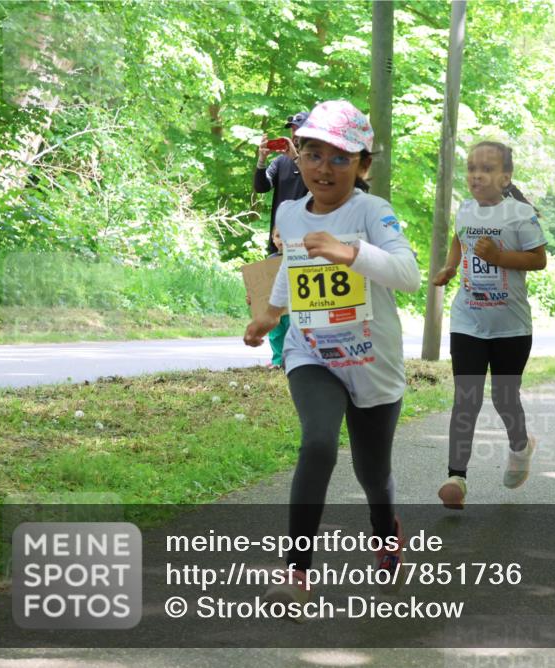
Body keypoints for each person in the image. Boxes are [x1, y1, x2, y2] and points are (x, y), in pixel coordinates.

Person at [243, 100, 420, 615]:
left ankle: (385, 531)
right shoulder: (289, 212)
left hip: (371, 360)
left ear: (362, 165)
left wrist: (351, 252)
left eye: (340, 158)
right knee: (318, 443)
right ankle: (297, 573)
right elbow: (291, 266)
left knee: (373, 474)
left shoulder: (371, 211)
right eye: (313, 154)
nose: (325, 168)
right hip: (311, 351)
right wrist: (270, 314)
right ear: (297, 157)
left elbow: (408, 274)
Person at [431, 141, 547, 510]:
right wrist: (451, 267)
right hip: (468, 319)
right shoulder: (465, 209)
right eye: (471, 168)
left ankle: (520, 446)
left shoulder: (520, 214)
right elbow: (459, 239)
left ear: (505, 177)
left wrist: (498, 257)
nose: (476, 176)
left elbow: (539, 259)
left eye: (486, 169)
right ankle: (456, 477)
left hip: (511, 326)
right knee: (466, 398)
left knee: (504, 397)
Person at [254, 111, 309, 255]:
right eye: (293, 129)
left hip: (306, 241)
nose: (295, 134)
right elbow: (261, 187)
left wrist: (296, 158)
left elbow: (316, 184)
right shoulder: (280, 161)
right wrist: (261, 160)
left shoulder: (317, 160)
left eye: (299, 130)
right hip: (280, 241)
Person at [265, 227, 290, 369]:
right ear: (273, 239)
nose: (281, 240)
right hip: (275, 307)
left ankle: (293, 360)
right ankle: (277, 361)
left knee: (293, 333)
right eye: (278, 236)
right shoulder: (270, 260)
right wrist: (253, 298)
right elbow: (262, 285)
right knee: (275, 334)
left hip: (293, 307)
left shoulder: (299, 257)